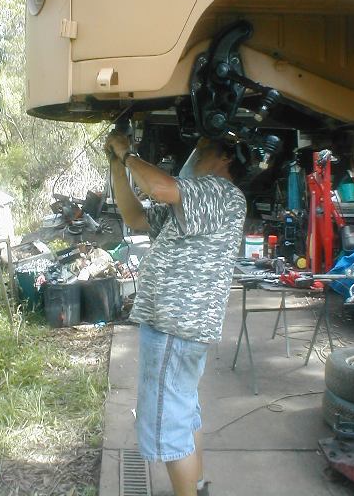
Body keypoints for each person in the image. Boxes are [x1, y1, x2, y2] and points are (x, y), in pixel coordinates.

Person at [104, 132, 248, 496]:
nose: (192, 154)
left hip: (175, 327)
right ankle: (195, 487)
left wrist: (128, 153)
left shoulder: (218, 191)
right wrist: (116, 166)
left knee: (169, 424)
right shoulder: (196, 201)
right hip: (178, 327)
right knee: (182, 413)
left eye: (200, 149)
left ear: (224, 158)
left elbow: (157, 185)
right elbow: (135, 216)